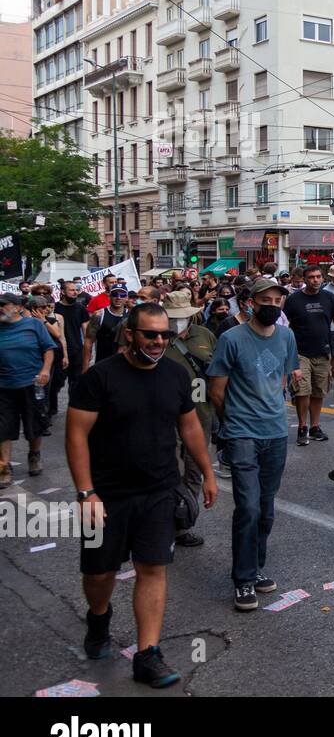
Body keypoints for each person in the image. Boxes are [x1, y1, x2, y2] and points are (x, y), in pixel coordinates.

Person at [68, 302, 217, 688]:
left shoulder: (174, 375)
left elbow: (190, 428)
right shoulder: (99, 378)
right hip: (106, 495)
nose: (157, 341)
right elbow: (76, 436)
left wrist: (208, 472)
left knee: (153, 568)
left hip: (158, 491)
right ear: (130, 334)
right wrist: (86, 493)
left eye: (164, 335)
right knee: (100, 572)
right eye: (149, 334)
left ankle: (147, 654)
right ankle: (98, 617)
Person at [206, 278, 301, 612]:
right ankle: (243, 580)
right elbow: (216, 389)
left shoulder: (287, 336)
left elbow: (283, 379)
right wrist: (231, 423)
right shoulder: (231, 339)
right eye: (266, 299)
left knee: (266, 507)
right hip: (242, 432)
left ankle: (257, 567)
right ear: (249, 302)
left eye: (278, 300)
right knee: (247, 507)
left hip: (275, 433)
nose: (273, 305)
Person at [161, 291, 218, 548]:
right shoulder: (156, 337)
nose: (176, 322)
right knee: (169, 469)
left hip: (201, 414)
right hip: (164, 416)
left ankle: (183, 524)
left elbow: (218, 372)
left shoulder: (205, 335)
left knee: (194, 470)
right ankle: (163, 522)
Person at [284, 265, 334, 447]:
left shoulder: (329, 297)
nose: (315, 280)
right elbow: (285, 325)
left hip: (323, 351)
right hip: (300, 352)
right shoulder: (293, 300)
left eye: (318, 277)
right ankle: (302, 427)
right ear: (304, 279)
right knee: (303, 391)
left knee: (319, 391)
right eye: (311, 277)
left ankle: (315, 426)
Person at [0, 292, 54, 485]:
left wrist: (45, 370)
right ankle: (4, 466)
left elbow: (48, 348)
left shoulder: (34, 325)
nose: (0, 308)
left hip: (31, 383)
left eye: (3, 304)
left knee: (35, 424)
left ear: (17, 307)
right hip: (4, 387)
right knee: (3, 428)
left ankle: (34, 455)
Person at [30, 294, 67, 423]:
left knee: (45, 389)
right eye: (43, 307)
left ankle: (43, 418)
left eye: (48, 307)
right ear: (34, 308)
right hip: (32, 359)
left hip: (49, 359)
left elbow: (57, 334)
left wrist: (43, 320)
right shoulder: (27, 321)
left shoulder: (50, 320)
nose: (47, 310)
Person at [54, 280, 90, 410]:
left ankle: (74, 407)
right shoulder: (55, 307)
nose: (75, 292)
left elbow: (86, 330)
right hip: (58, 351)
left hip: (76, 351)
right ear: (63, 292)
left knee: (75, 382)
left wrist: (87, 349)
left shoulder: (80, 308)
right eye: (72, 290)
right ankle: (52, 408)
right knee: (56, 382)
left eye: (76, 290)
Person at [84, 284, 129, 371]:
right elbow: (89, 340)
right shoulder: (99, 315)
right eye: (115, 294)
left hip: (124, 365)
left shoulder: (131, 315)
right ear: (109, 296)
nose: (118, 297)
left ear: (126, 298)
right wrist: (85, 367)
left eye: (122, 295)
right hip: (103, 363)